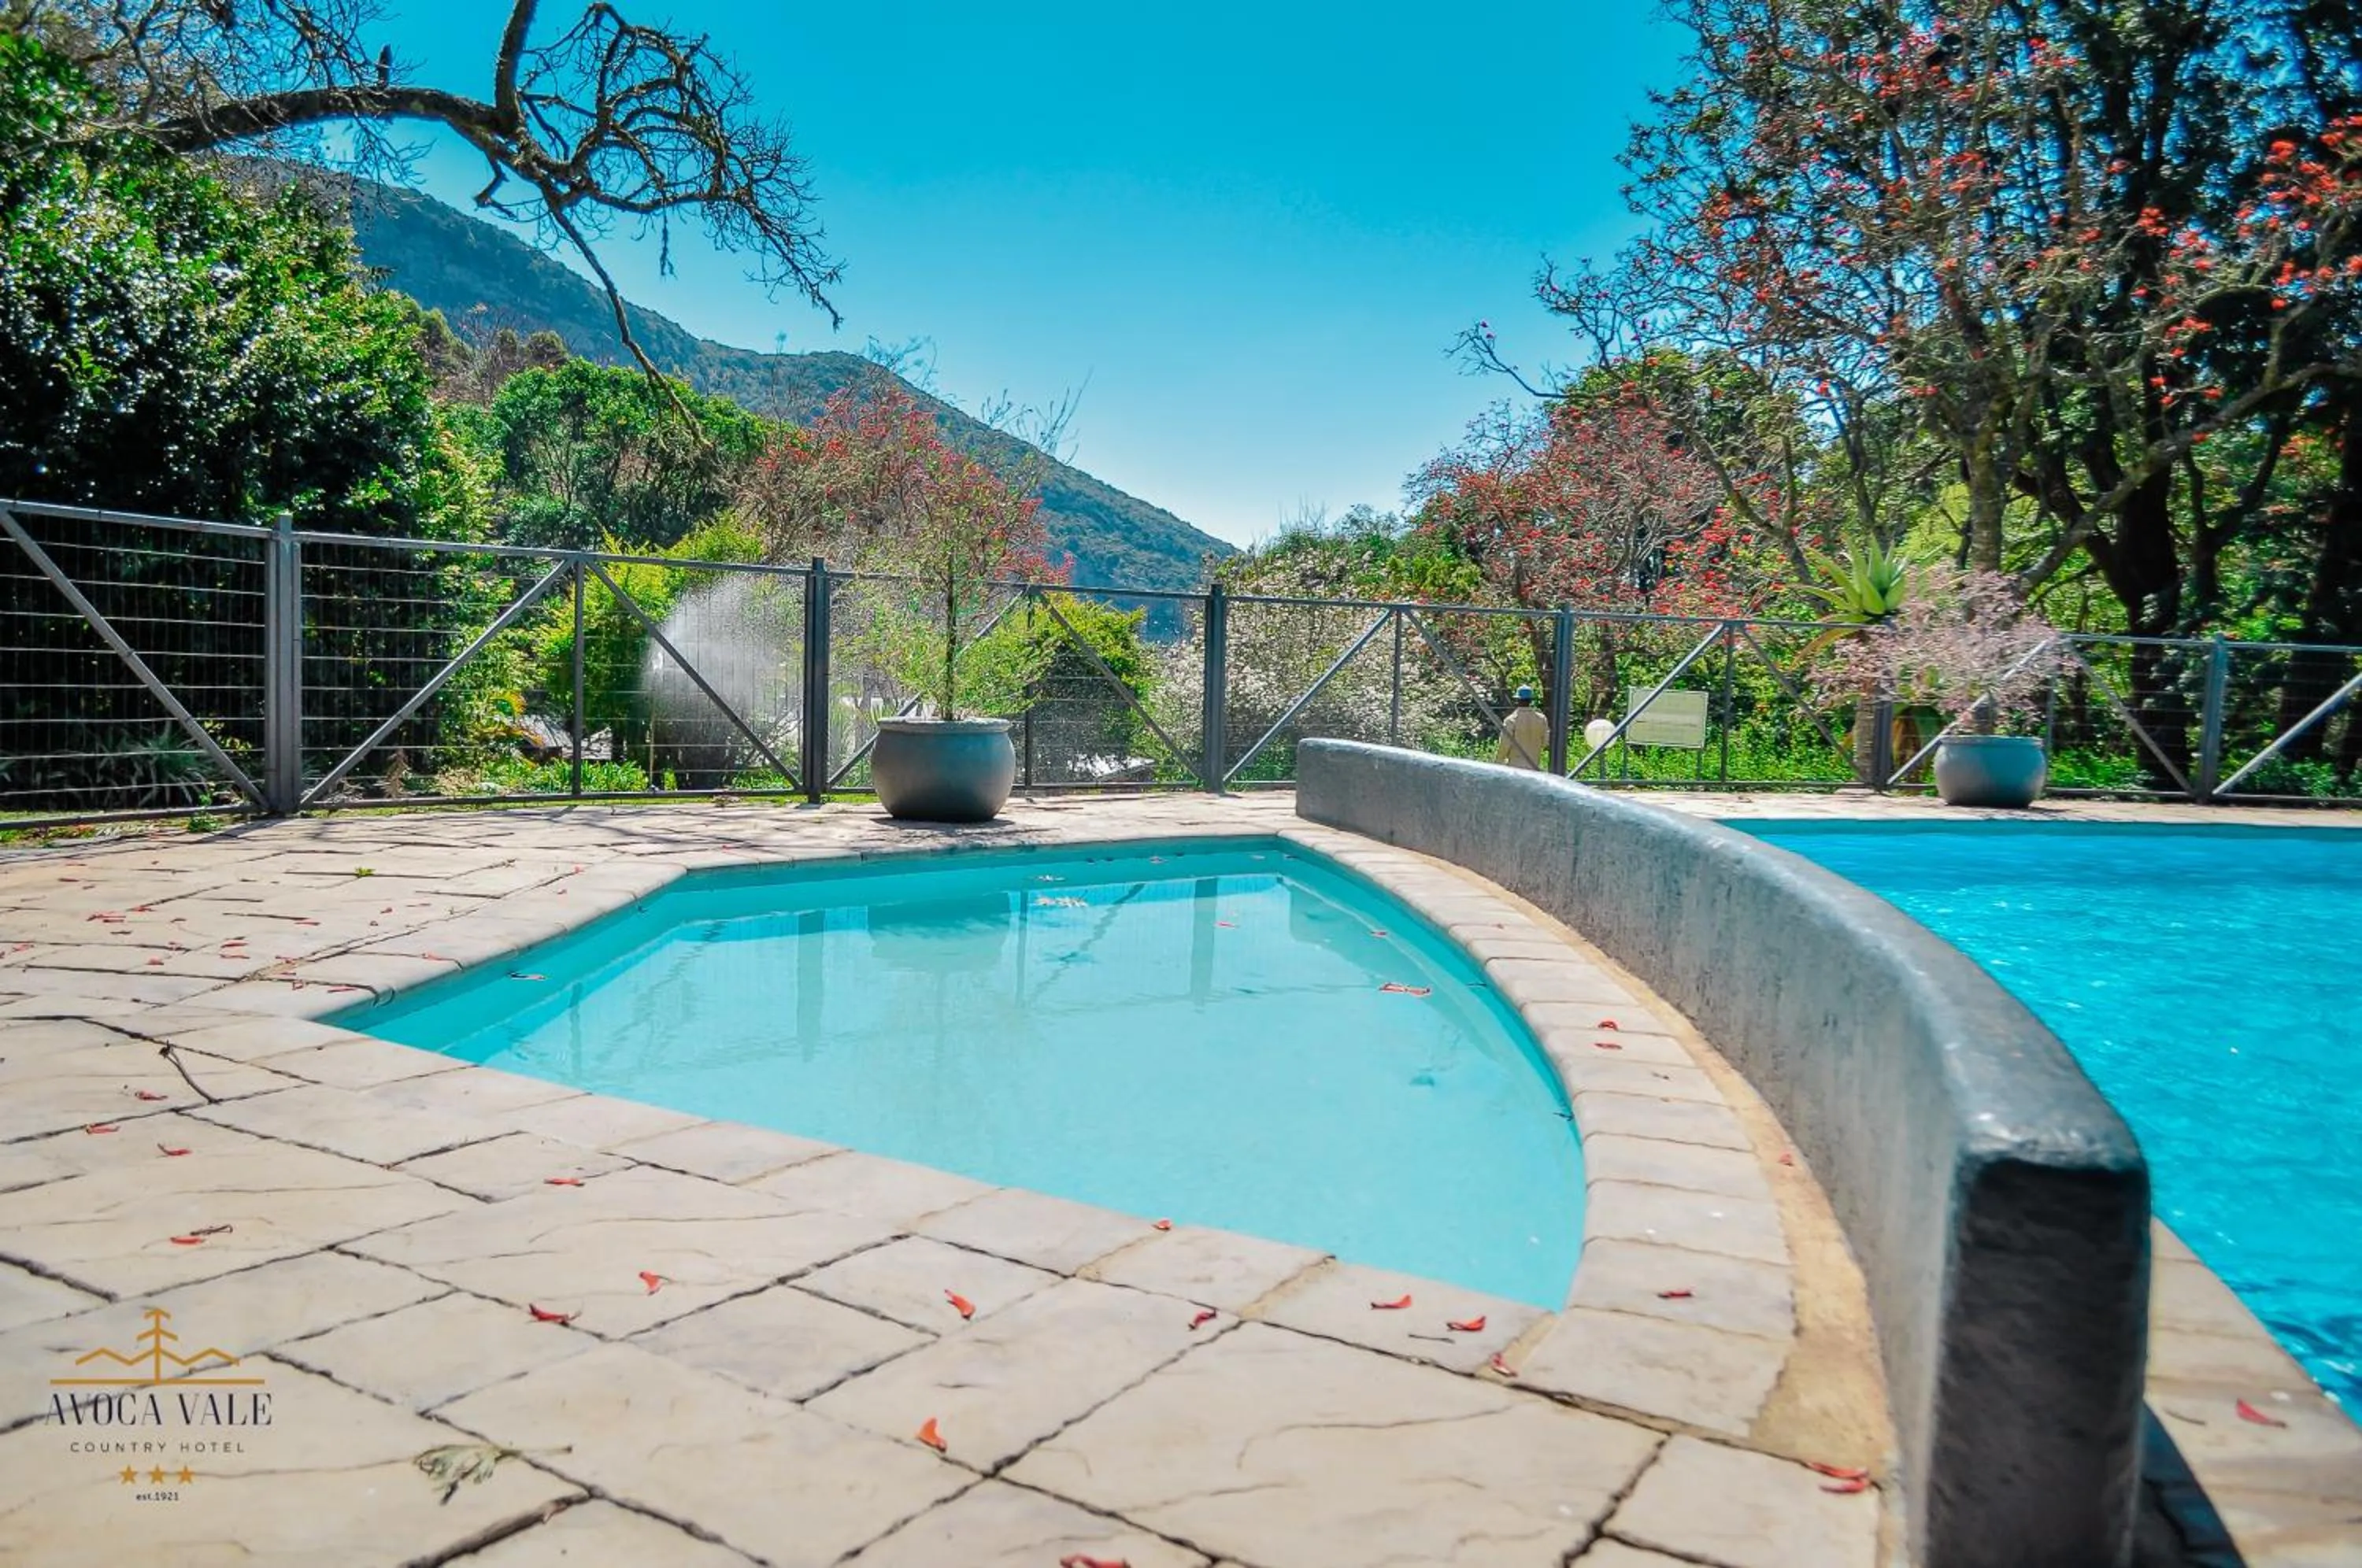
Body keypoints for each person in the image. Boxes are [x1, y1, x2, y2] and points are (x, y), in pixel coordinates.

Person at [1496, 684, 1549, 770]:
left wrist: (1498, 762)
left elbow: (1504, 745)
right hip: (1534, 766)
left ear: (1517, 700)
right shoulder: (1541, 719)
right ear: (1531, 700)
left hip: (1515, 768)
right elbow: (1545, 742)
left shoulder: (1511, 720)